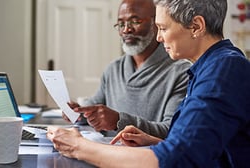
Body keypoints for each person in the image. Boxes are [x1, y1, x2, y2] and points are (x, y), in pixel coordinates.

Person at [47, 0, 250, 167]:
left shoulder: (223, 70)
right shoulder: (209, 67)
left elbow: (175, 159)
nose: (159, 37)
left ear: (196, 26)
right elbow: (201, 147)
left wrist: (78, 147)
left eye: (162, 28)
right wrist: (154, 141)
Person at [63, 0, 191, 139]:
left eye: (135, 21)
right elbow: (96, 108)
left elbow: (171, 129)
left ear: (156, 24)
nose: (126, 30)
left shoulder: (180, 72)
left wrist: (119, 121)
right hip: (106, 152)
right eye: (121, 24)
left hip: (146, 157)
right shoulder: (113, 69)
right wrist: (79, 113)